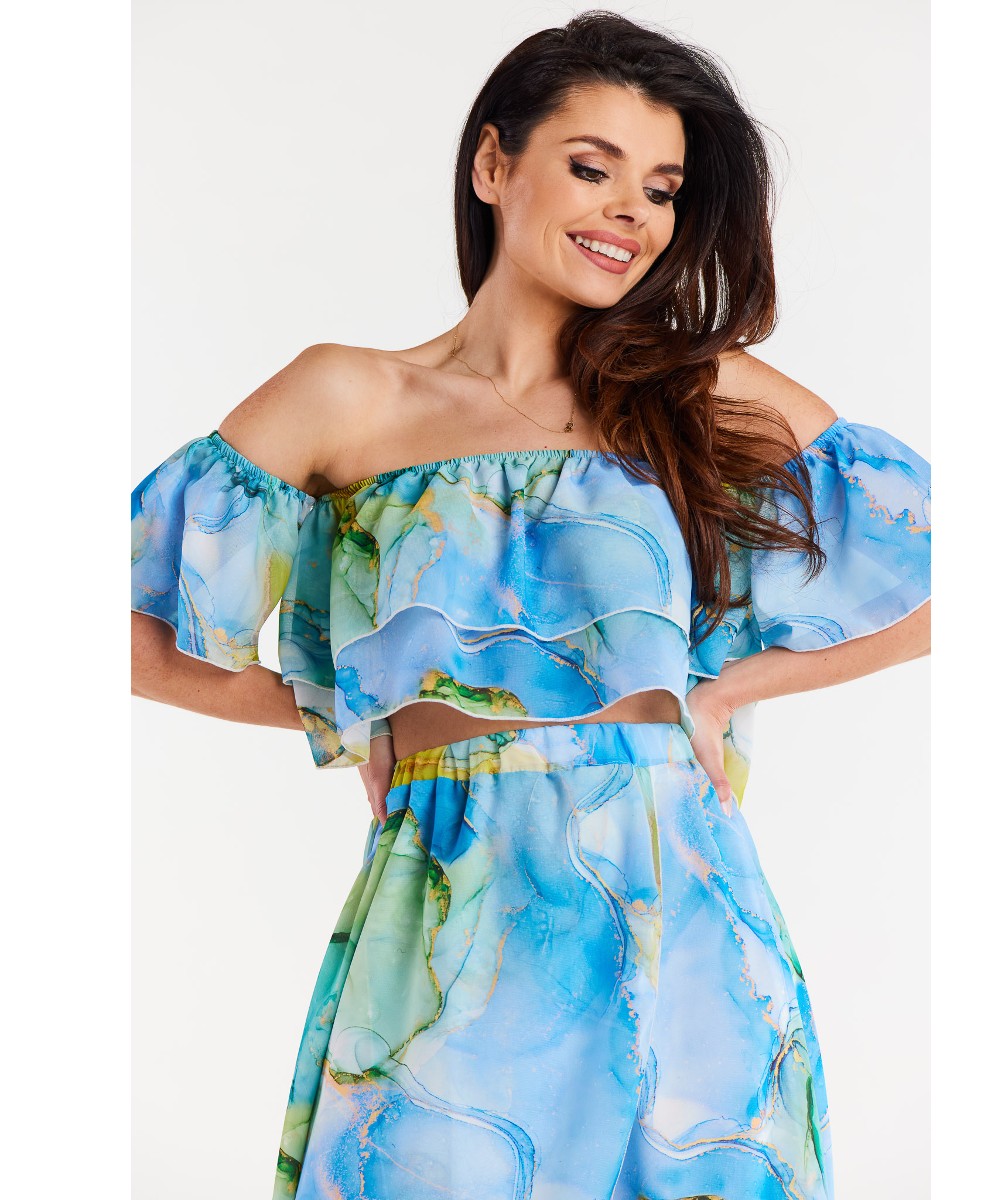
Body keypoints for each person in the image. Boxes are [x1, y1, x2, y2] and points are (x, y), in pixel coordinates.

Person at [130, 12, 930, 1200]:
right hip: (451, 902)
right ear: (493, 164)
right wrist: (357, 709)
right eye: (593, 167)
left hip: (680, 909)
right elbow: (126, 635)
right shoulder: (350, 397)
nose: (631, 212)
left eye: (661, 189)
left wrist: (724, 690)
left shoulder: (697, 390)